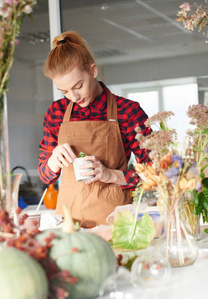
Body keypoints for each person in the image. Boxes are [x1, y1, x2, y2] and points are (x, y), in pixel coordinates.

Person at [38, 31, 151, 227]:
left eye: (78, 86)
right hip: (68, 226)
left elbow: (155, 172)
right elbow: (45, 175)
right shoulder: (56, 112)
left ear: (92, 70)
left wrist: (111, 175)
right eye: (64, 91)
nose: (73, 96)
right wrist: (54, 160)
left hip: (115, 225)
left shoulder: (128, 111)